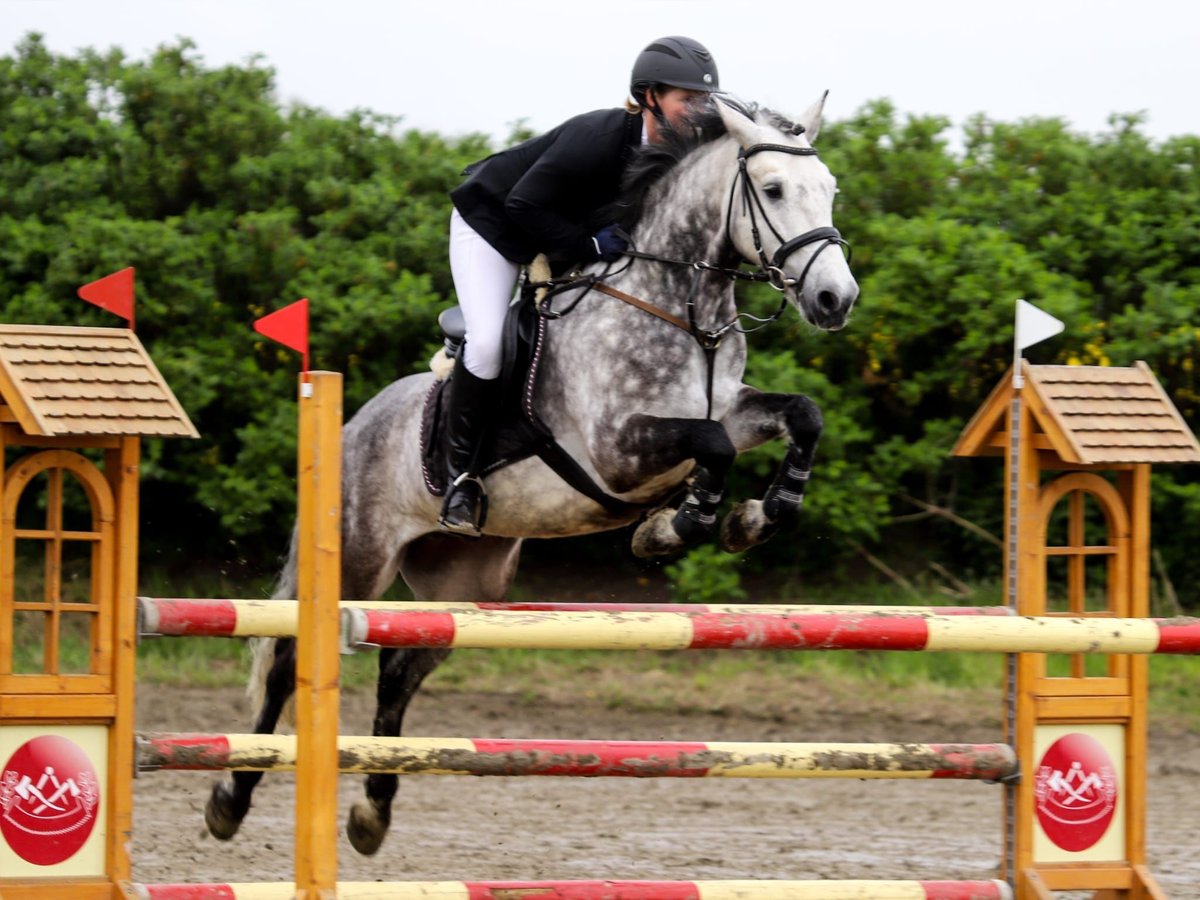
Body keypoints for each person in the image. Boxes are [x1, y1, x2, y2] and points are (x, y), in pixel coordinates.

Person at [439, 36, 721, 535]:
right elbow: (522, 206)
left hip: (562, 234)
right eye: (688, 99)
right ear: (649, 95)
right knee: (486, 342)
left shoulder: (680, 156)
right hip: (493, 225)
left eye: (704, 100)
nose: (699, 110)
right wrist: (589, 247)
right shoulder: (600, 134)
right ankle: (460, 475)